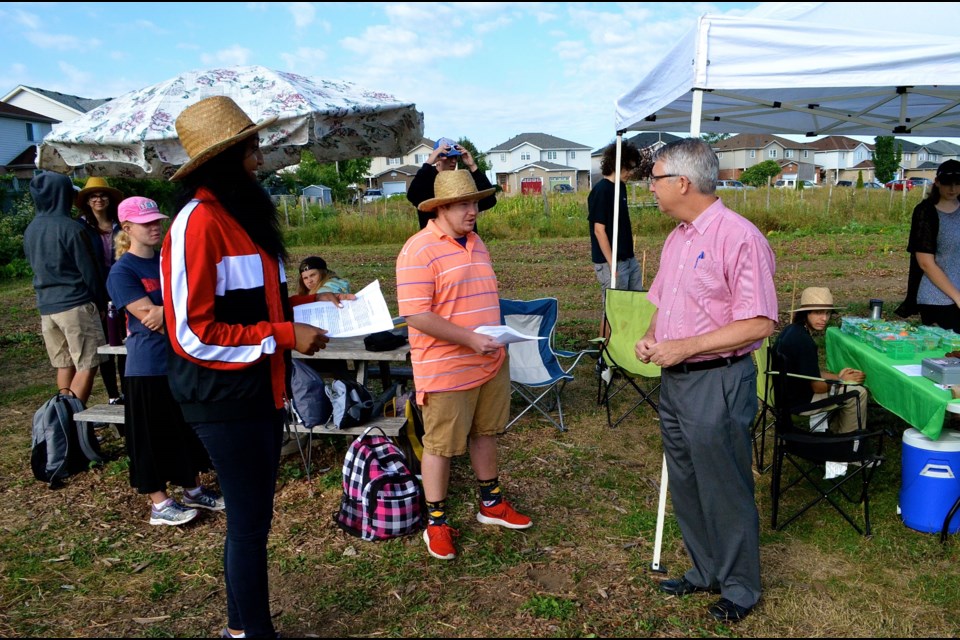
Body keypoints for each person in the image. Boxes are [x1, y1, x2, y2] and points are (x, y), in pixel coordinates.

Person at [160, 95, 331, 639]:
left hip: (257, 391)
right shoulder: (197, 223)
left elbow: (255, 305)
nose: (261, 159)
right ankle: (253, 633)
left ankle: (242, 629)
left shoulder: (240, 218)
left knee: (251, 523)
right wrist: (284, 335)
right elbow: (191, 333)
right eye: (252, 148)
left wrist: (312, 308)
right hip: (222, 397)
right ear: (226, 158)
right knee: (250, 525)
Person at [635, 138, 778, 623]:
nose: (649, 188)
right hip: (676, 380)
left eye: (654, 178)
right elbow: (665, 306)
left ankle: (740, 587)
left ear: (681, 182)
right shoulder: (678, 237)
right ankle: (705, 570)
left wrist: (684, 347)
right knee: (688, 481)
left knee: (724, 484)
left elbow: (759, 322)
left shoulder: (739, 238)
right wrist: (652, 339)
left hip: (717, 380)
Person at [396, 169, 532, 562]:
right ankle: (436, 523)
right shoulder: (418, 250)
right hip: (446, 367)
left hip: (489, 361)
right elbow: (416, 315)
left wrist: (490, 340)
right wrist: (470, 339)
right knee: (440, 446)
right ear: (439, 208)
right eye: (463, 204)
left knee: (485, 432)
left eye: (474, 202)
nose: (473, 211)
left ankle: (491, 503)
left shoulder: (477, 242)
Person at [107, 196, 224, 526]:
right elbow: (150, 318)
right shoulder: (122, 271)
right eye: (147, 224)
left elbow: (198, 301)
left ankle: (193, 488)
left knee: (184, 428)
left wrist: (170, 311)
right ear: (127, 229)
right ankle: (159, 503)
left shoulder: (166, 261)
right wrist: (177, 311)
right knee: (151, 435)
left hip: (179, 359)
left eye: (157, 221)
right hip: (147, 366)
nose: (155, 227)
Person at [23, 171, 107, 405]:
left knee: (64, 363)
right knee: (87, 365)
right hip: (75, 305)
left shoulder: (30, 230)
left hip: (47, 308)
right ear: (62, 195)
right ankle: (70, 424)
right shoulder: (71, 228)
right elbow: (89, 272)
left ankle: (59, 420)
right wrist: (101, 303)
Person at [774, 287, 868, 434]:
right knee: (858, 392)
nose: (824, 318)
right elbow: (818, 387)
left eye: (828, 313)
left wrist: (837, 377)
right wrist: (842, 381)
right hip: (798, 402)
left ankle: (834, 435)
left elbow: (809, 373)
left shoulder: (791, 330)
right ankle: (849, 444)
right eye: (818, 313)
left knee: (847, 390)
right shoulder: (804, 342)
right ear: (806, 313)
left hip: (783, 395)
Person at [76, 176, 126, 405]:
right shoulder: (81, 228)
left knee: (125, 339)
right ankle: (112, 394)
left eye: (102, 194)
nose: (99, 199)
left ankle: (127, 389)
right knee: (105, 343)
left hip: (121, 285)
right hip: (97, 288)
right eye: (93, 196)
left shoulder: (120, 223)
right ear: (87, 201)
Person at [897, 160, 960, 330]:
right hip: (937, 299)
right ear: (937, 182)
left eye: (957, 183)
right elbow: (925, 263)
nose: (953, 189)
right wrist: (957, 297)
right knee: (946, 354)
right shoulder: (926, 212)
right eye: (947, 183)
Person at [588, 141, 645, 294]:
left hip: (628, 258)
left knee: (634, 301)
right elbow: (599, 231)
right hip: (611, 262)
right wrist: (612, 264)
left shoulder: (621, 187)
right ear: (616, 164)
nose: (631, 172)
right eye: (628, 168)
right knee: (614, 310)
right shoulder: (601, 191)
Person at [407, 137, 496, 230]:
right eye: (449, 157)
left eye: (455, 157)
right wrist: (429, 162)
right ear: (438, 157)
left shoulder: (461, 180)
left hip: (465, 242)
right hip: (436, 240)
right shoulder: (427, 178)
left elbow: (489, 201)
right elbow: (412, 196)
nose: (453, 161)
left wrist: (472, 166)